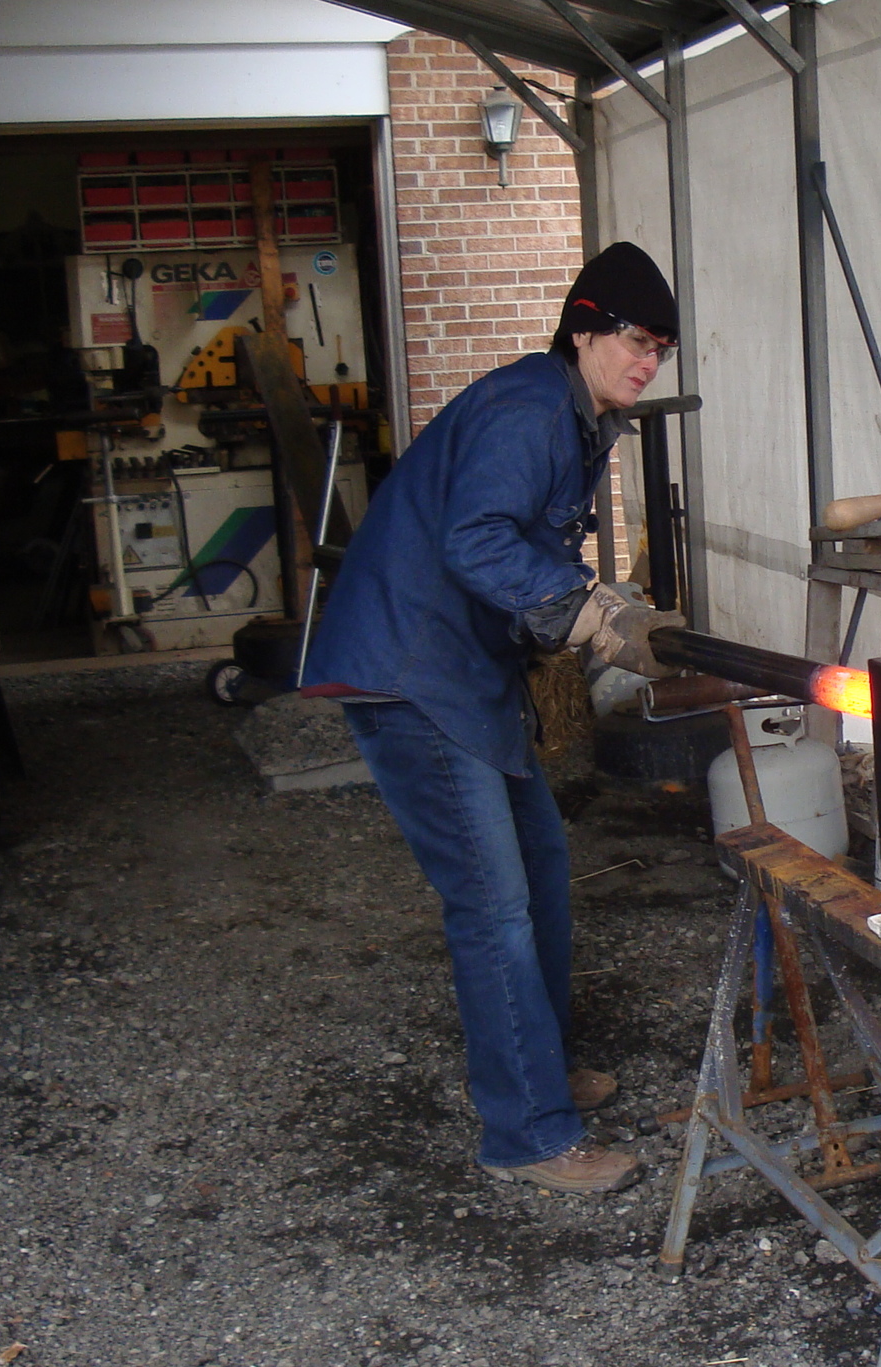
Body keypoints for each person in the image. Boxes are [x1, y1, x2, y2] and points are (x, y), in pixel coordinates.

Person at [301, 242, 683, 1195]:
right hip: (413, 672)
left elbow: (516, 547)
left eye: (662, 349)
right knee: (495, 907)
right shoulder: (528, 407)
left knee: (543, 873)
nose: (647, 361)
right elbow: (475, 539)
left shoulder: (577, 415)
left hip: (461, 672)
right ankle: (528, 1134)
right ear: (585, 327)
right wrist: (589, 609)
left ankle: (537, 1070)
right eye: (635, 340)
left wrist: (600, 599)